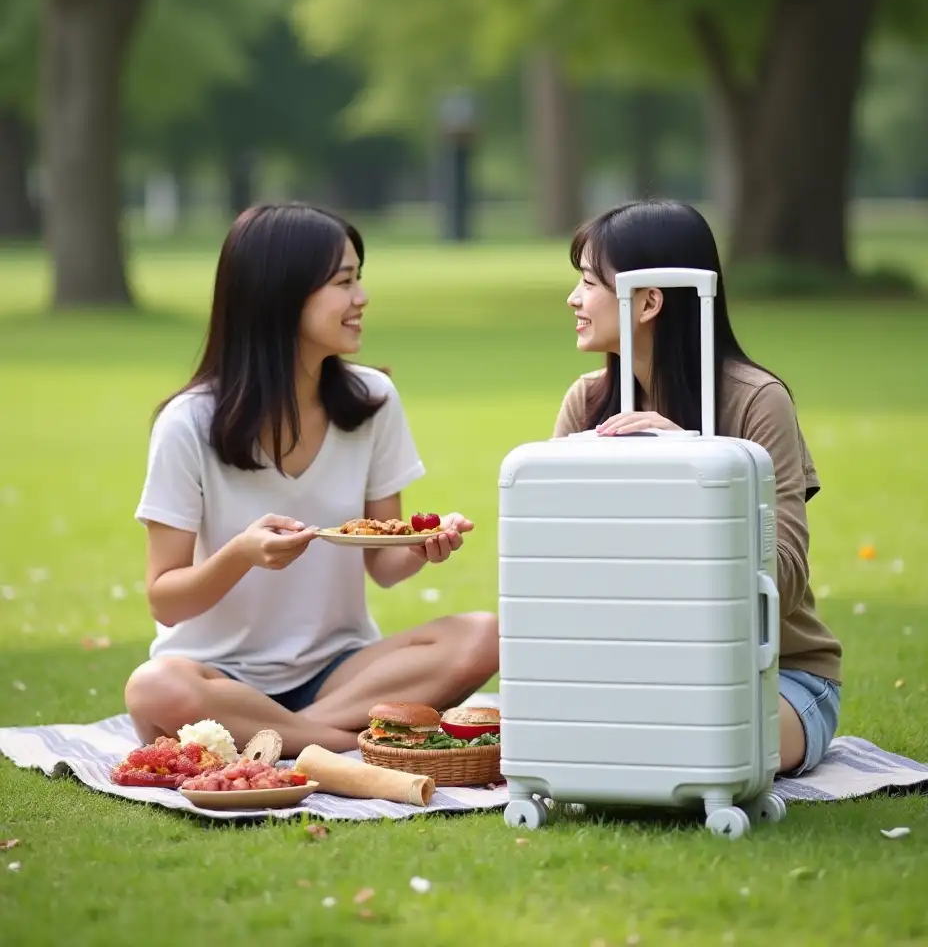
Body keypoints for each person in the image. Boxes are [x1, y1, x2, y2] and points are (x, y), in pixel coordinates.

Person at [125, 203, 497, 756]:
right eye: (344, 282)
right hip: (219, 676)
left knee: (484, 634)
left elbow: (384, 563)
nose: (362, 298)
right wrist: (242, 554)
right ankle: (345, 744)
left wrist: (422, 545)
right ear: (280, 296)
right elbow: (165, 601)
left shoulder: (373, 402)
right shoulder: (189, 424)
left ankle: (282, 739)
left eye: (359, 279)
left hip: (340, 672)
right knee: (155, 687)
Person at [554, 200, 841, 776]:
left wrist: (695, 463)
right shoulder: (587, 402)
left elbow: (780, 580)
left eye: (588, 282)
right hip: (637, 668)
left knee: (704, 751)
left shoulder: (758, 401)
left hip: (771, 672)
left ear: (649, 301)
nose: (574, 299)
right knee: (561, 743)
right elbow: (560, 567)